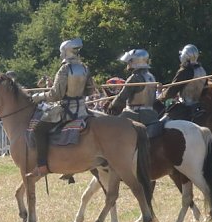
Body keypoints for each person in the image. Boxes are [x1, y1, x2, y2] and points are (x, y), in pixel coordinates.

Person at [26, 38, 96, 178]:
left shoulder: (65, 69)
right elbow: (90, 91)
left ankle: (42, 167)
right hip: (82, 109)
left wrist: (37, 96)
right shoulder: (84, 68)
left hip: (66, 111)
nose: (60, 55)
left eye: (61, 52)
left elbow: (55, 94)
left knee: (38, 130)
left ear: (65, 52)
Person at [108, 48, 159, 125]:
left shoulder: (135, 77)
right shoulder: (151, 77)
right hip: (151, 113)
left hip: (135, 114)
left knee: (113, 126)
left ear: (135, 61)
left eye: (129, 61)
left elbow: (122, 97)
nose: (128, 64)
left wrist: (111, 105)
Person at [157, 44, 207, 121]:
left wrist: (160, 98)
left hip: (184, 106)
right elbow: (205, 89)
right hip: (198, 106)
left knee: (160, 124)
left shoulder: (185, 70)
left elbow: (172, 90)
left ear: (185, 56)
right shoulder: (202, 70)